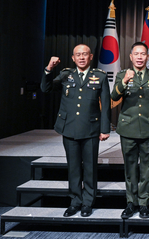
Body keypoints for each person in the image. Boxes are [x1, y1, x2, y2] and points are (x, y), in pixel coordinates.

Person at [41, 44, 110, 217]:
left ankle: (88, 202)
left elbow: (106, 105)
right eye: (78, 55)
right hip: (69, 127)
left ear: (91, 57)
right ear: (73, 58)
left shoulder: (100, 76)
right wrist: (49, 69)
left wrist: (105, 129)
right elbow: (46, 88)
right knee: (73, 167)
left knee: (90, 167)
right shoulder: (65, 75)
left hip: (91, 129)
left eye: (84, 54)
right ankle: (75, 201)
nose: (81, 57)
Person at [111, 42, 149, 219]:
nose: (140, 57)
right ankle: (131, 202)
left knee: (147, 168)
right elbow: (114, 97)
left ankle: (144, 203)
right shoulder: (121, 75)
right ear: (131, 57)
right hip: (128, 127)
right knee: (130, 168)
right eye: (136, 54)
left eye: (143, 54)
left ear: (147, 57)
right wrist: (125, 81)